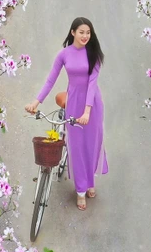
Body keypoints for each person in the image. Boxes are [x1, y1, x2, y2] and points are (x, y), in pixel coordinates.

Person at [25, 17, 108, 211]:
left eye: (88, 32)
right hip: (74, 102)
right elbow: (50, 80)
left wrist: (87, 111)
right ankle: (81, 190)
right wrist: (35, 102)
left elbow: (92, 85)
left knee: (92, 144)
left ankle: (90, 181)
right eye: (81, 32)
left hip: (92, 104)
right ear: (73, 33)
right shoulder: (64, 54)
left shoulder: (93, 54)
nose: (85, 36)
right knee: (77, 147)